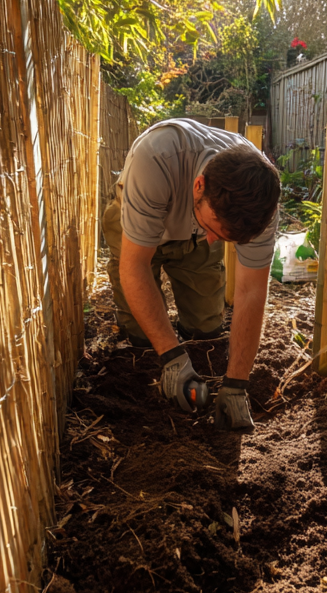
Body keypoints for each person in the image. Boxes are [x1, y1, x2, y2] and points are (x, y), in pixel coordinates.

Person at [103, 118, 281, 431]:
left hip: (194, 224)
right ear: (198, 185)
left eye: (225, 239)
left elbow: (251, 291)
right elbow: (135, 266)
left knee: (206, 329)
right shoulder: (156, 160)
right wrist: (171, 356)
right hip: (138, 231)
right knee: (141, 338)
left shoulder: (260, 200)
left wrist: (237, 382)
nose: (214, 242)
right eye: (215, 230)